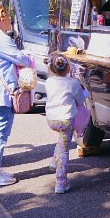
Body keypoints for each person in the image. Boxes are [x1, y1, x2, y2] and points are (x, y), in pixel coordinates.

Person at [0, 5, 34, 187]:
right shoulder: (1, 38)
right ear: (2, 19)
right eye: (9, 17)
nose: (11, 20)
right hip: (1, 91)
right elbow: (21, 59)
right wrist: (28, 57)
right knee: (0, 132)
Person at [44, 53, 85, 194]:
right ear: (68, 67)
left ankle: (54, 162)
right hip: (66, 120)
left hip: (52, 120)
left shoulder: (49, 82)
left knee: (62, 140)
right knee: (64, 149)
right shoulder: (73, 83)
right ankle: (61, 182)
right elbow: (80, 100)